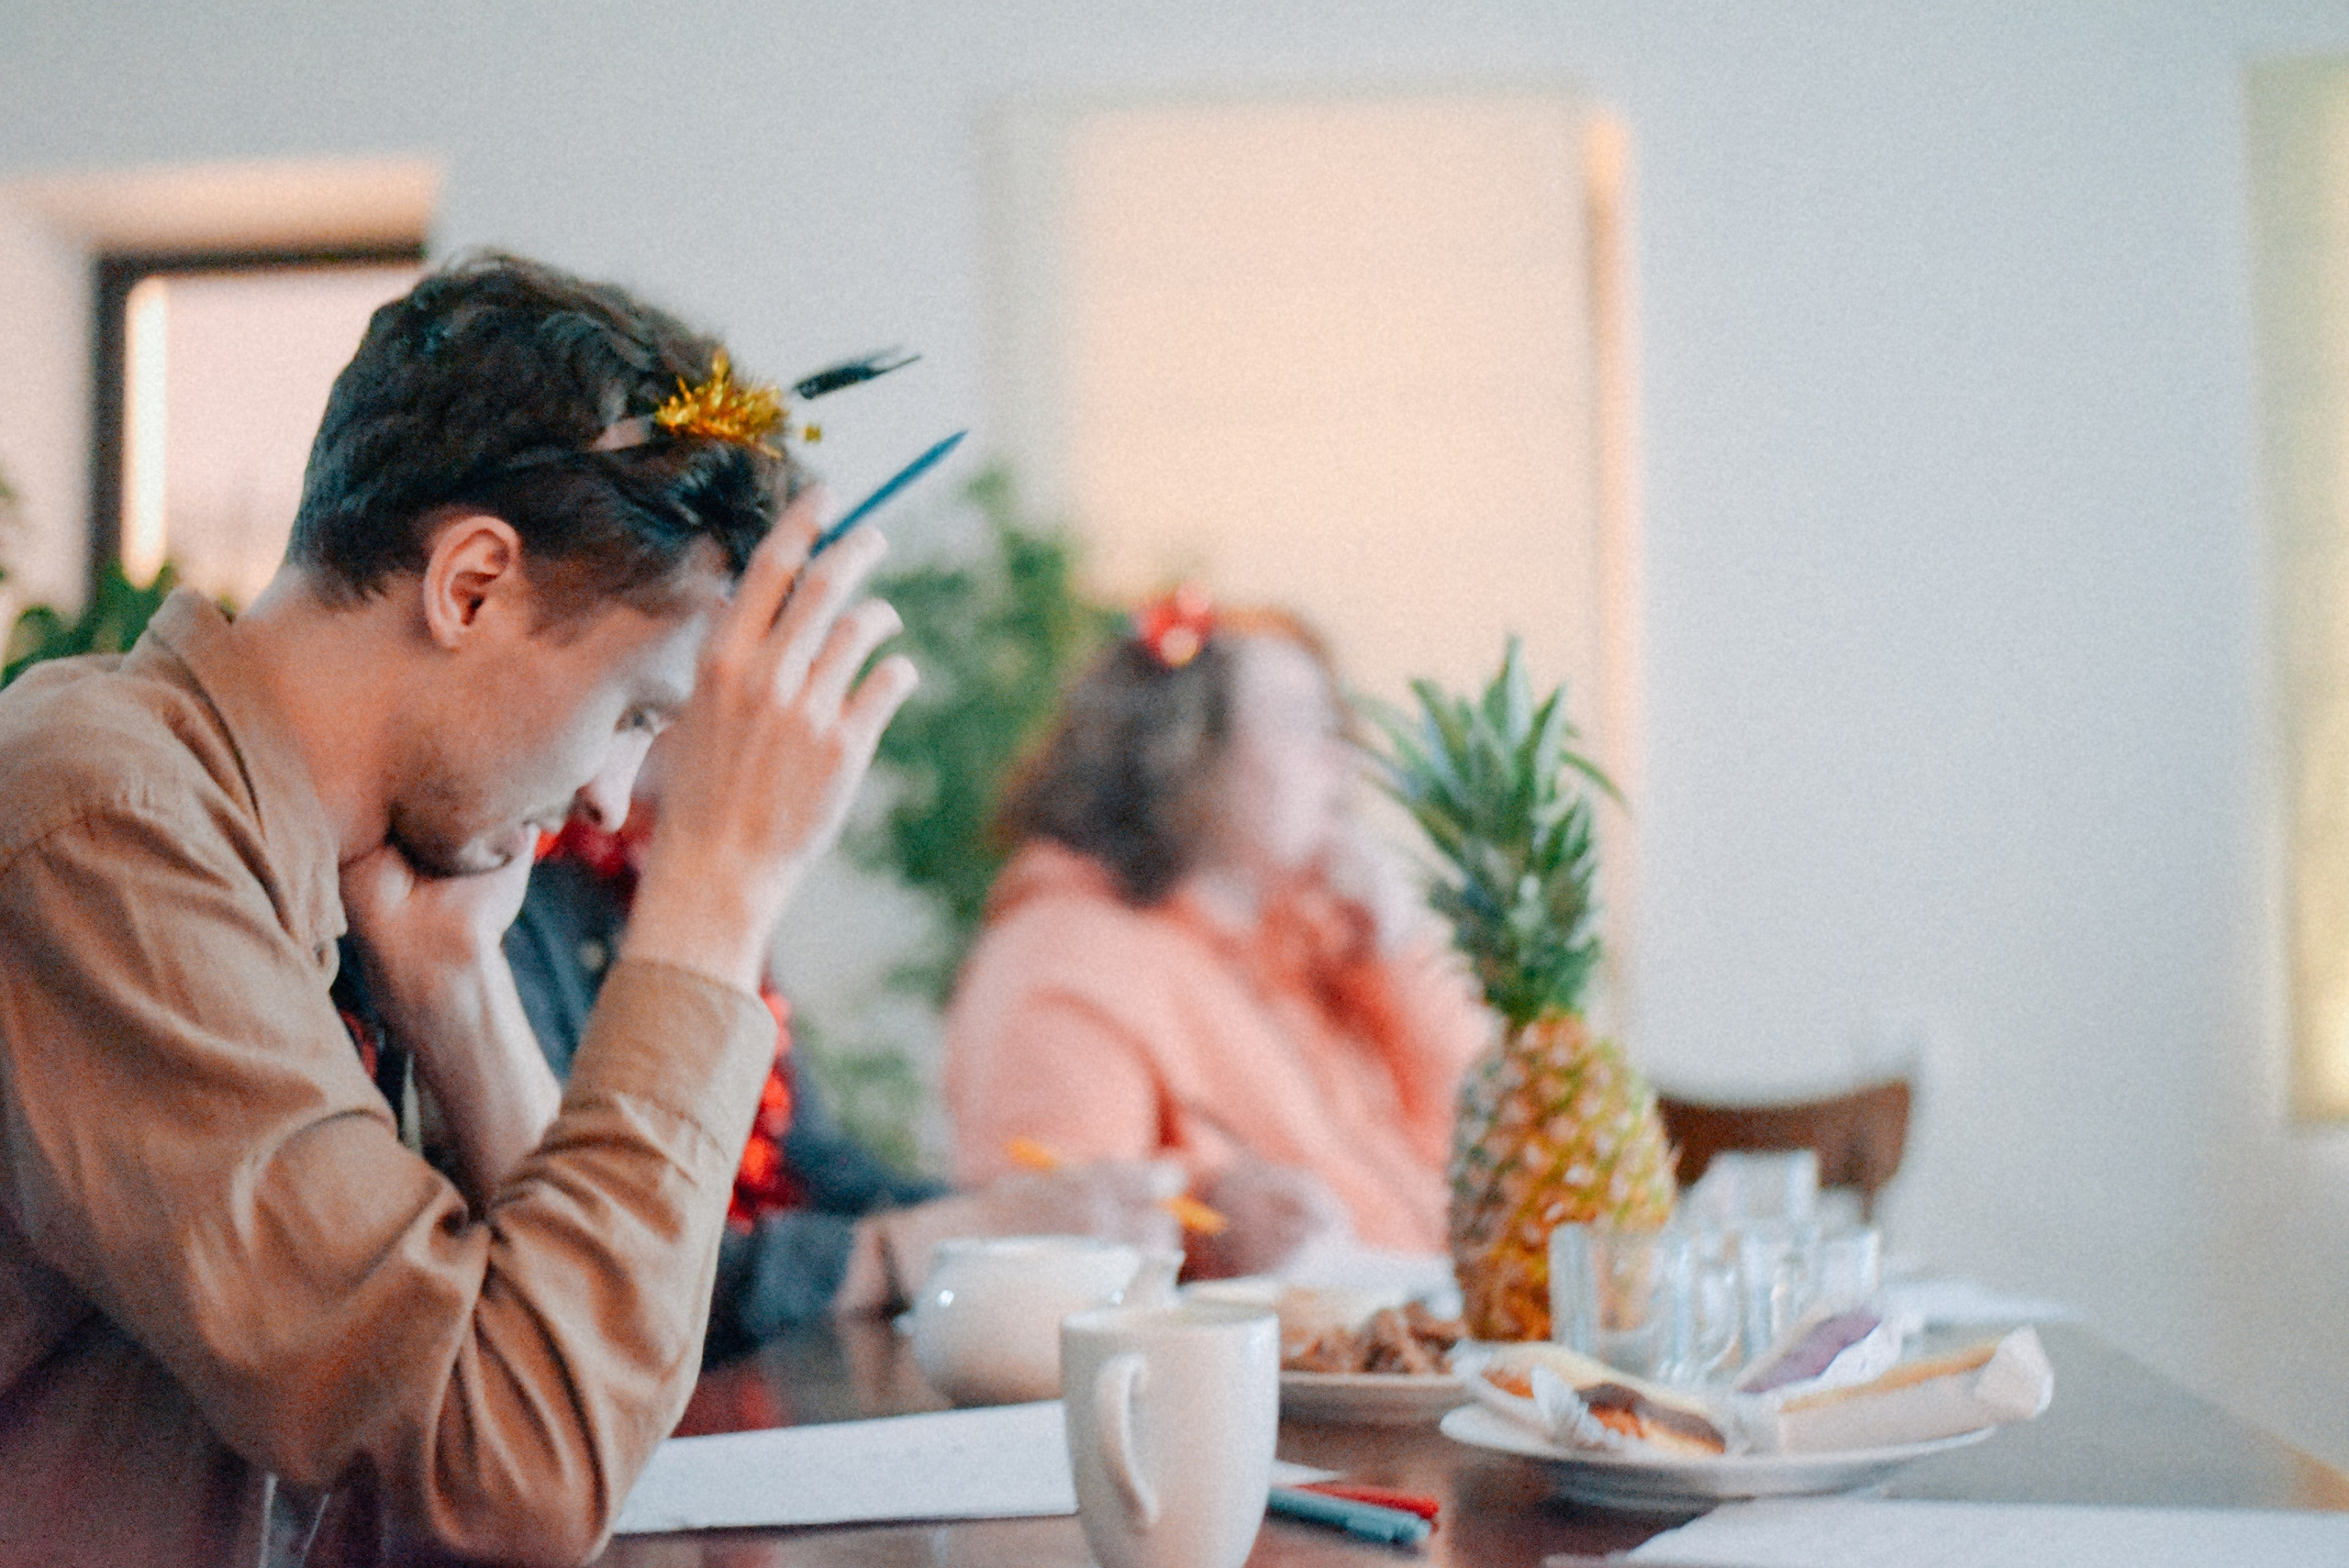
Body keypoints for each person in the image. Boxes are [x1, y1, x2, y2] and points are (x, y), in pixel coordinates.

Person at [0, 254, 918, 1566]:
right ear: (471, 584)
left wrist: (462, 1003)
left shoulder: (331, 868)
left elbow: (586, 1426)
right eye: (635, 713)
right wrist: (710, 903)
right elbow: (515, 1472)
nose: (610, 805)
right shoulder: (108, 826)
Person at [449, 787, 1180, 1362]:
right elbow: (610, 1271)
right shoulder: (508, 891)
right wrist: (914, 1247)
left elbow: (812, 1164)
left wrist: (1013, 1219)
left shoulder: (642, 875)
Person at [942, 589, 1491, 1273]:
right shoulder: (1067, 959)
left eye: (1335, 726)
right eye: (1302, 724)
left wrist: (1398, 956)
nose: (1342, 761)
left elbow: (1490, 1162)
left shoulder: (1318, 943)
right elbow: (1046, 1236)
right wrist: (1210, 1229)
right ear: (1186, 752)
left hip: (1424, 1347)